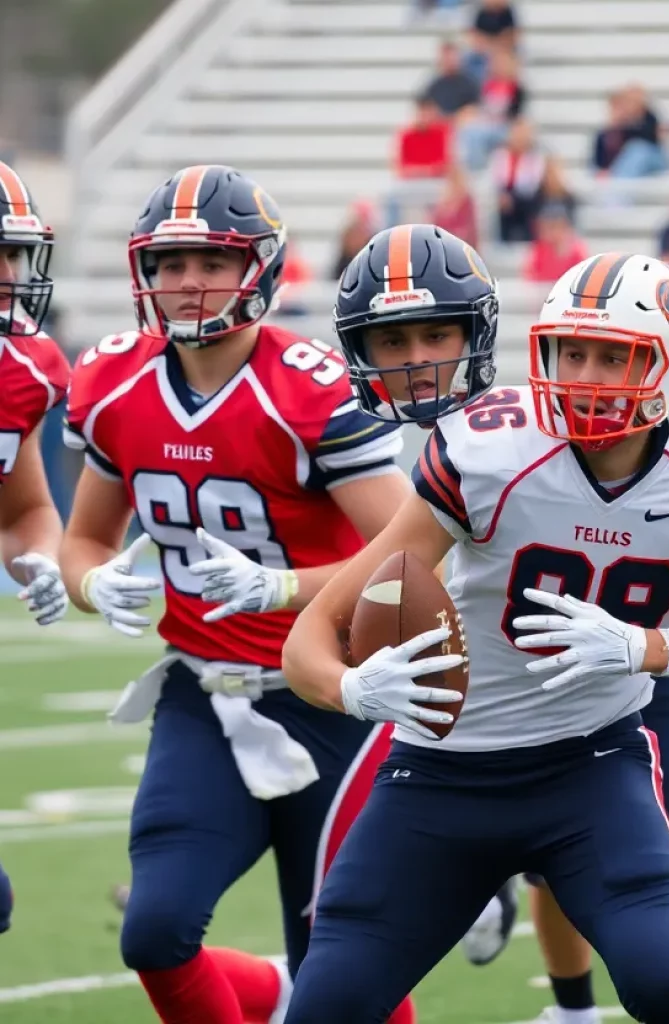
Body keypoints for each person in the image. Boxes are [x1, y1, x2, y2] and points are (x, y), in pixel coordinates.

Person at [281, 242, 669, 1023]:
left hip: (589, 768)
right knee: (328, 1004)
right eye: (570, 352)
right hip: (438, 777)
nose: (585, 377)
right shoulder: (489, 451)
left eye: (612, 357)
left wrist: (645, 648)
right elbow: (313, 635)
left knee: (666, 982)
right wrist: (353, 688)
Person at [59, 165, 417, 1024]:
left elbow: (411, 558)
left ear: (259, 268)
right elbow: (82, 538)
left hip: (332, 696)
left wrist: (283, 586)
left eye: (212, 262)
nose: (187, 283)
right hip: (201, 696)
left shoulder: (313, 389)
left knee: (340, 958)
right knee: (155, 930)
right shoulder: (112, 381)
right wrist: (90, 581)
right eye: (171, 262)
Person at [0, 160, 71, 940]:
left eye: (15, 252)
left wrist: (39, 558)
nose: (9, 273)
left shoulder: (22, 370)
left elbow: (23, 512)